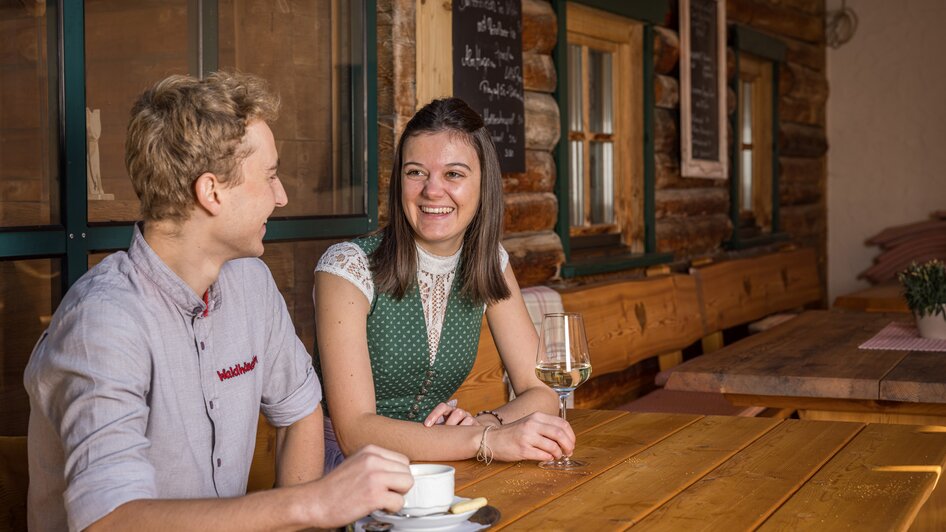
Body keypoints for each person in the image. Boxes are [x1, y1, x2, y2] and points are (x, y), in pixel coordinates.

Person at [24, 72, 412, 532]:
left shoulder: (251, 282)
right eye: (269, 177)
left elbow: (300, 412)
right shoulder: (102, 324)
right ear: (211, 192)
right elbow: (107, 521)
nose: (281, 195)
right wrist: (310, 504)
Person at [313, 97, 576, 470]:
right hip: (346, 470)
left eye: (453, 174)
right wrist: (483, 440)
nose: (432, 191)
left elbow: (541, 390)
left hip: (442, 461)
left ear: (483, 184)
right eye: (416, 172)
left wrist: (488, 423)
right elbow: (355, 432)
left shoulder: (489, 262)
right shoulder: (346, 267)